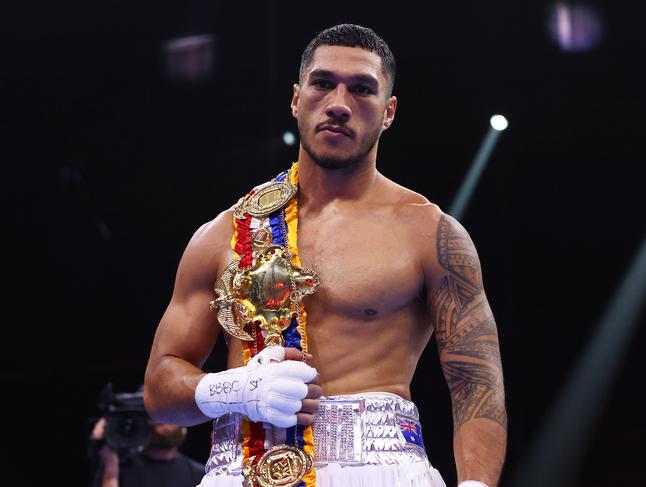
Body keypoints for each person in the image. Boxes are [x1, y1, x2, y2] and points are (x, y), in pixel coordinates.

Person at [144, 23, 507, 487]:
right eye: (322, 84)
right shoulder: (225, 235)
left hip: (381, 469)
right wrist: (233, 388)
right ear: (297, 99)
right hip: (241, 468)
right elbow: (159, 389)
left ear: (389, 111)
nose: (338, 104)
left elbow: (477, 383)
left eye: (361, 89)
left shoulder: (428, 234)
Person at [89, 416, 205, 487]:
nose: (166, 418)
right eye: (158, 412)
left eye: (172, 411)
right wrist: (110, 472)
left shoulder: (200, 475)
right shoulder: (116, 468)